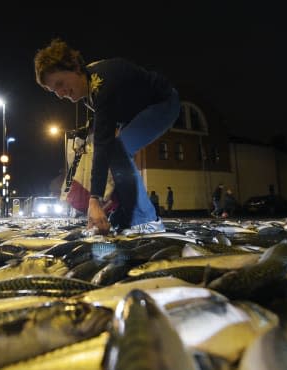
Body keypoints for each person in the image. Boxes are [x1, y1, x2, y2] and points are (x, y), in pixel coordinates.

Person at [34, 38, 180, 235]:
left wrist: (94, 199)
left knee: (115, 150)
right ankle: (125, 212)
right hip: (135, 113)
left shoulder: (101, 83)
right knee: (116, 155)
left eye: (60, 83)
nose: (60, 94)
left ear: (75, 67)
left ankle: (148, 220)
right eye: (54, 91)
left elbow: (103, 145)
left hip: (163, 103)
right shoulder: (89, 92)